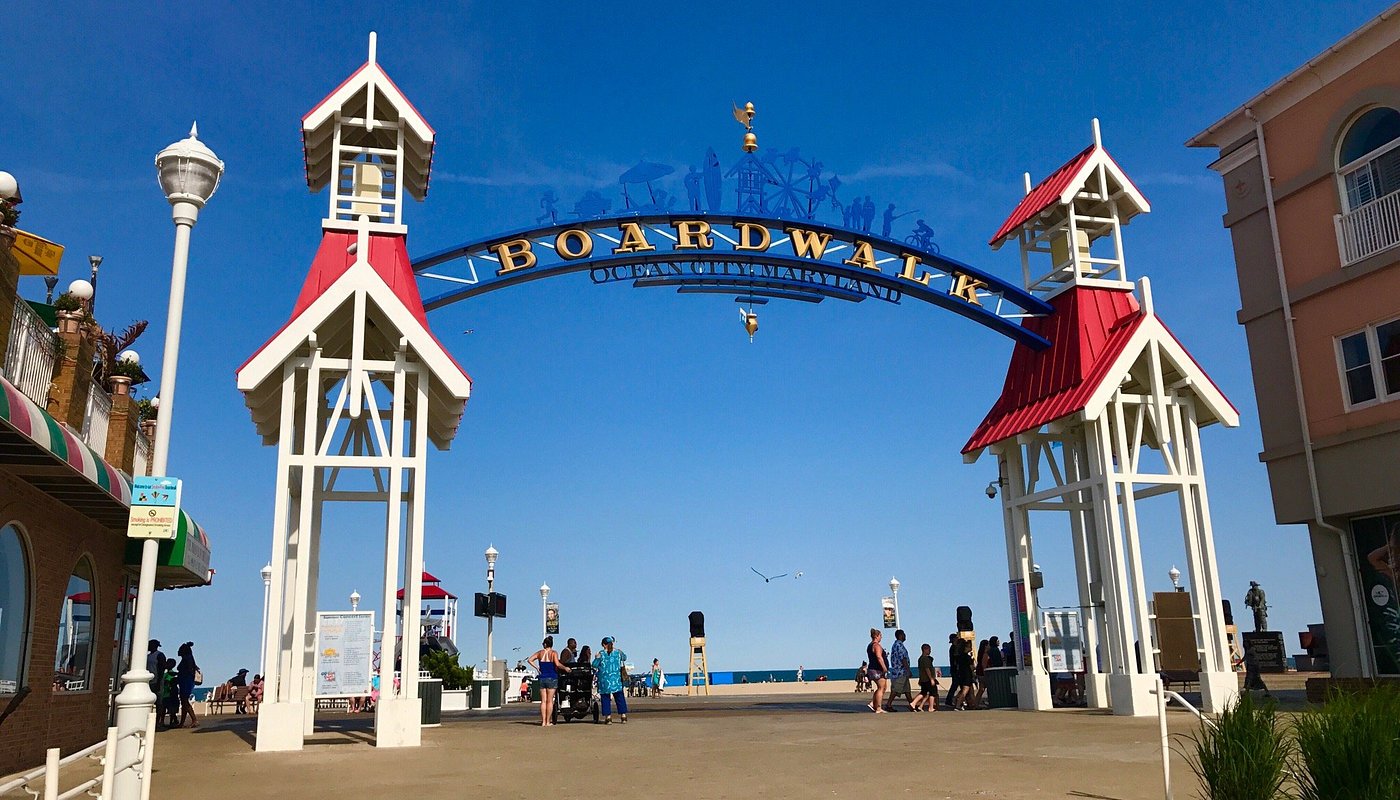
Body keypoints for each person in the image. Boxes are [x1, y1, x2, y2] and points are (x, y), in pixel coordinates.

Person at [527, 635, 569, 726]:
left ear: (545, 644)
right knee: (550, 700)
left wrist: (537, 668)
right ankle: (547, 721)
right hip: (552, 677)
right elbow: (557, 664)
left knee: (543, 701)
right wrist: (565, 668)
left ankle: (543, 721)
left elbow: (530, 660)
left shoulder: (540, 653)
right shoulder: (553, 653)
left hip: (542, 677)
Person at [592, 637, 629, 724]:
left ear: (603, 645)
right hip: (616, 679)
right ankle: (623, 716)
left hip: (605, 680)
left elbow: (594, 665)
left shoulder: (601, 654)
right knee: (619, 697)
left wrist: (596, 658)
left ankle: (608, 717)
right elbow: (625, 658)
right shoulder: (618, 652)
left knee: (605, 698)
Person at [884, 629, 913, 711]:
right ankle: (888, 704)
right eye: (904, 634)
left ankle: (912, 704)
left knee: (907, 690)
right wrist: (908, 670)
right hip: (900, 672)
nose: (905, 636)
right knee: (896, 689)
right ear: (900, 635)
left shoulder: (896, 645)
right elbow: (903, 659)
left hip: (902, 672)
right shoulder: (899, 645)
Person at [176, 641, 199, 728]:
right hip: (185, 680)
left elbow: (189, 670)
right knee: (184, 702)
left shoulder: (187, 658)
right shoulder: (188, 658)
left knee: (185, 701)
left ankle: (194, 719)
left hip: (186, 681)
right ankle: (182, 722)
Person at [865, 628, 889, 714]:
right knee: (881, 688)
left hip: (873, 669)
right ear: (876, 636)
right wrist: (884, 668)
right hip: (877, 669)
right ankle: (878, 708)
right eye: (880, 636)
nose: (881, 638)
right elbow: (879, 657)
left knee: (883, 687)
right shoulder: (876, 646)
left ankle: (873, 703)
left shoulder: (870, 645)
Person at [913, 643, 939, 712]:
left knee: (923, 692)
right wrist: (931, 679)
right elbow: (927, 669)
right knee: (932, 693)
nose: (930, 651)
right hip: (928, 679)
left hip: (923, 679)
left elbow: (921, 670)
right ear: (925, 649)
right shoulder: (925, 659)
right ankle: (931, 707)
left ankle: (913, 703)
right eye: (929, 650)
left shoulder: (920, 659)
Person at [953, 639, 976, 710]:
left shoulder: (958, 657)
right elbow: (972, 667)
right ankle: (958, 705)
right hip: (967, 675)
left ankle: (973, 704)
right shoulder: (967, 657)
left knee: (969, 690)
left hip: (961, 674)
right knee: (965, 691)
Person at [160, 658, 180, 728]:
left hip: (169, 694)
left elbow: (169, 682)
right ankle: (163, 721)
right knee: (165, 708)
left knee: (169, 709)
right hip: (165, 693)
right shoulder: (167, 674)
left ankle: (172, 720)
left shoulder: (170, 674)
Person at [945, 634, 962, 708]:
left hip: (954, 669)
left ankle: (951, 700)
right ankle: (950, 700)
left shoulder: (953, 648)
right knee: (955, 685)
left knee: (955, 685)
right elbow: (955, 659)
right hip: (955, 669)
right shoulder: (953, 648)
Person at [973, 640, 991, 708]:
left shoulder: (980, 653)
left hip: (979, 672)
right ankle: (989, 702)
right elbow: (984, 664)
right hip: (983, 673)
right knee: (987, 688)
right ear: (986, 646)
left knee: (981, 689)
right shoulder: (985, 653)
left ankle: (976, 704)